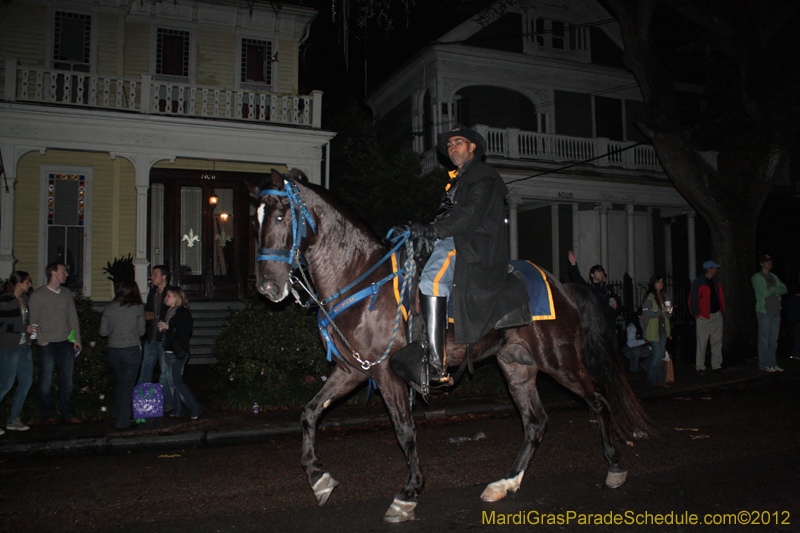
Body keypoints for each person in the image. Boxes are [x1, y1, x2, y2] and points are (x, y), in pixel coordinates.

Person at [401, 124, 529, 387]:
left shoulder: (484, 176)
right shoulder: (457, 181)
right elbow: (446, 217)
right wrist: (423, 230)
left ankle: (436, 365)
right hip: (455, 237)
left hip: (473, 244)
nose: (452, 148)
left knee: (431, 280)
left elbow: (470, 215)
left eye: (458, 142)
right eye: (449, 145)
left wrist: (434, 230)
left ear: (473, 147)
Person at [29, 262, 82, 424]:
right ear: (53, 273)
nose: (66, 274)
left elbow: (72, 318)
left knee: (67, 381)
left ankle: (68, 413)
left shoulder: (66, 293)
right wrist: (42, 341)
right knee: (46, 381)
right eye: (63, 271)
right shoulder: (38, 295)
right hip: (47, 345)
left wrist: (76, 339)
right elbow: (33, 321)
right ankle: (48, 414)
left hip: (65, 342)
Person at [100, 280, 146, 429]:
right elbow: (142, 332)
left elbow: (103, 332)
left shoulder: (109, 307)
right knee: (127, 385)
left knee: (121, 382)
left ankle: (117, 413)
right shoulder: (138, 308)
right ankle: (123, 421)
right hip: (131, 349)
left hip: (114, 350)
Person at [159, 287, 203, 419]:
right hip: (168, 350)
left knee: (176, 381)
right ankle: (177, 409)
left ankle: (196, 407)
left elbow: (185, 332)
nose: (166, 298)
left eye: (169, 296)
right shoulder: (170, 311)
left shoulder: (182, 312)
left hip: (177, 351)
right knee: (171, 382)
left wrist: (168, 327)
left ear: (177, 298)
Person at [0, 271, 35, 433]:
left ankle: (14, 419)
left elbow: (26, 320)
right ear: (19, 284)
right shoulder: (5, 300)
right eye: (27, 282)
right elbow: (2, 325)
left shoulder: (24, 299)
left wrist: (29, 335)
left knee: (26, 382)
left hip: (24, 346)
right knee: (6, 383)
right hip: (9, 346)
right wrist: (23, 328)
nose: (30, 285)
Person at [567, 251, 622, 347]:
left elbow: (618, 307)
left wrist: (616, 306)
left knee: (612, 351)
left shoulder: (608, 290)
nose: (601, 274)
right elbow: (577, 279)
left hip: (610, 327)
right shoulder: (590, 289)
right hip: (597, 328)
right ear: (592, 275)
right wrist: (573, 265)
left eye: (602, 272)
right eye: (598, 272)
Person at [138, 265, 173, 411]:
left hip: (164, 339)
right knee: (145, 369)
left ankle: (167, 402)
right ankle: (141, 401)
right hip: (151, 337)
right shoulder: (152, 293)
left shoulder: (171, 293)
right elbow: (148, 313)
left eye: (155, 274)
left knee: (165, 373)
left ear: (164, 277)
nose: (151, 277)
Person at [751, 254, 787, 372]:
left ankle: (772, 363)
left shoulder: (774, 276)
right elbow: (765, 293)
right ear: (761, 264)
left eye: (770, 261)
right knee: (764, 339)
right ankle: (763, 364)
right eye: (767, 261)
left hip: (776, 310)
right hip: (764, 312)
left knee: (773, 341)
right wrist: (775, 291)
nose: (770, 263)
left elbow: (784, 289)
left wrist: (773, 289)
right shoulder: (757, 277)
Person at [689, 260, 725, 375]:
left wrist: (721, 311)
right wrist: (697, 315)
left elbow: (719, 297)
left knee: (717, 341)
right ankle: (700, 367)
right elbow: (692, 300)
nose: (716, 270)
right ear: (709, 269)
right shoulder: (698, 282)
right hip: (704, 317)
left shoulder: (715, 281)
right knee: (702, 343)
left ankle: (716, 365)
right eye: (714, 268)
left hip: (716, 315)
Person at [642, 274, 673, 387]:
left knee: (660, 355)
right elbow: (646, 312)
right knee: (656, 355)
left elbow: (669, 312)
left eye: (662, 281)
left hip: (663, 329)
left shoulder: (664, 296)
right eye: (658, 281)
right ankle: (651, 379)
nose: (661, 284)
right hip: (653, 330)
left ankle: (660, 380)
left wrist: (668, 313)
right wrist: (660, 312)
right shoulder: (650, 297)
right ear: (653, 283)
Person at [622, 309, 651, 378]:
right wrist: (644, 341)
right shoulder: (633, 326)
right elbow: (630, 344)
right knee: (635, 351)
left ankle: (642, 367)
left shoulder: (649, 326)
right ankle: (633, 372)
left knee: (658, 352)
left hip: (644, 348)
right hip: (629, 349)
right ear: (640, 316)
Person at [786, 283, 800, 362]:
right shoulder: (794, 299)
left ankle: (796, 354)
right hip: (796, 322)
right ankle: (796, 354)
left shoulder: (792, 299)